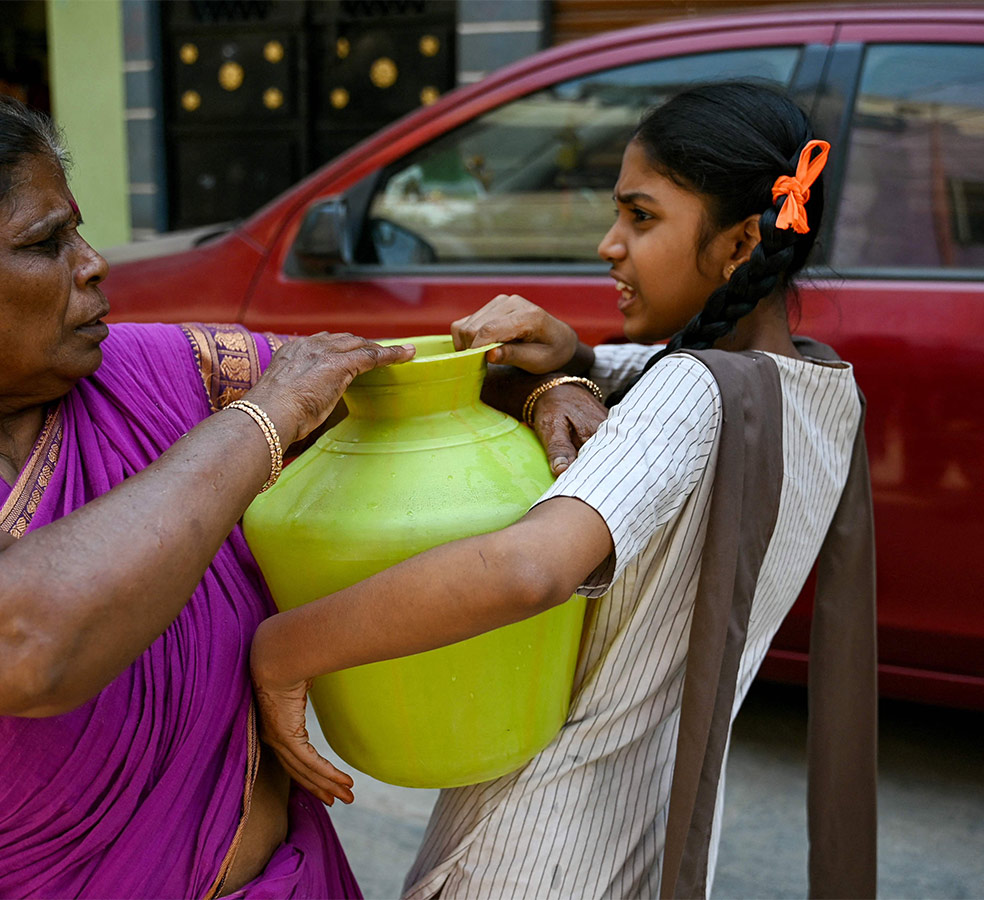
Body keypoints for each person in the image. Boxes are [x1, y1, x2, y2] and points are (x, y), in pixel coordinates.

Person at [250, 82, 877, 898]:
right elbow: (625, 386)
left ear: (742, 242)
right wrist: (569, 362)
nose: (609, 244)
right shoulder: (820, 392)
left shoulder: (692, 391)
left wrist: (284, 649)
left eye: (641, 217)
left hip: (531, 846)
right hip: (654, 834)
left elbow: (525, 571)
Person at [0, 96, 416, 898]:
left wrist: (546, 383)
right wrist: (263, 419)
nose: (93, 263)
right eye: (45, 243)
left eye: (76, 231)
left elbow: (394, 388)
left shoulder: (147, 374)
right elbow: (24, 640)